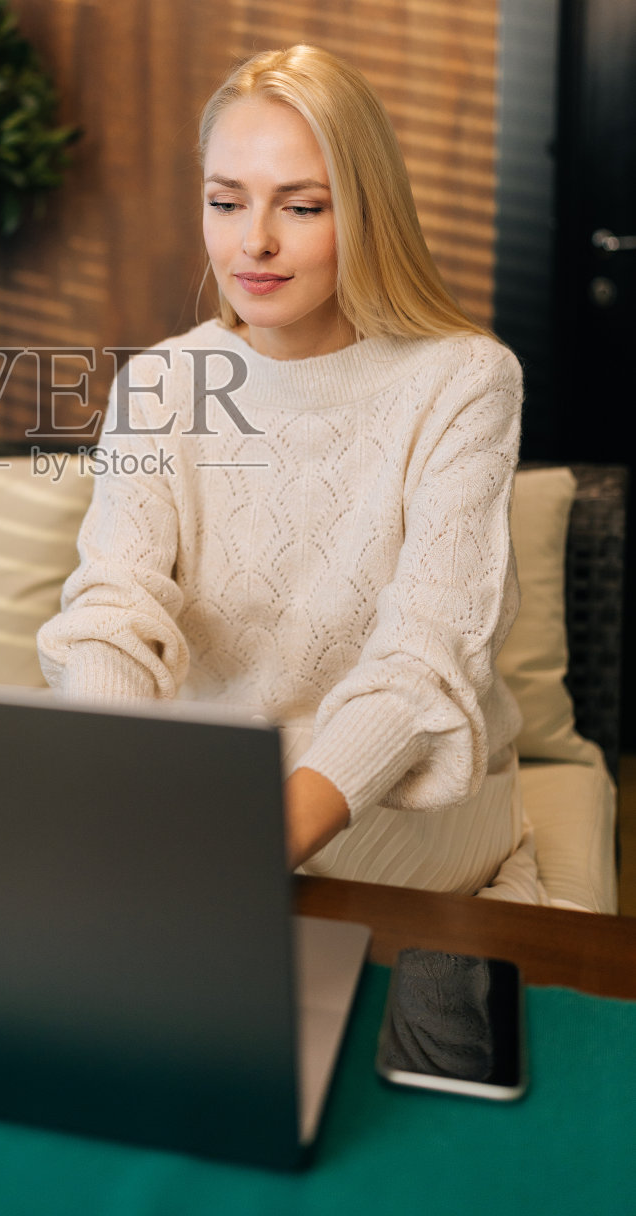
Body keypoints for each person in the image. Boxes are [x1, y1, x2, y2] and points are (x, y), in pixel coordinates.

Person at [37, 44, 546, 903]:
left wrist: (252, 844)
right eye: (224, 202)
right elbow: (111, 610)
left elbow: (423, 661)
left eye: (301, 206)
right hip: (214, 796)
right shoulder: (163, 381)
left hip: (390, 800)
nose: (254, 242)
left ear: (366, 209)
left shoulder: (464, 380)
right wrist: (112, 777)